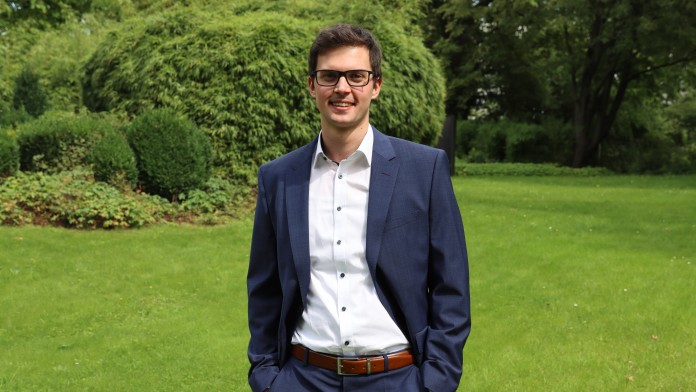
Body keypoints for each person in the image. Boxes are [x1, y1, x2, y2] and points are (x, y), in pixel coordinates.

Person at [247, 23, 470, 392]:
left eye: (356, 76)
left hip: (398, 378)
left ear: (376, 86)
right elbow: (264, 288)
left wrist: (435, 381)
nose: (342, 88)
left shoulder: (424, 169)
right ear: (312, 85)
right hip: (303, 378)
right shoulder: (278, 178)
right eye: (329, 76)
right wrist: (267, 376)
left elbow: (452, 286)